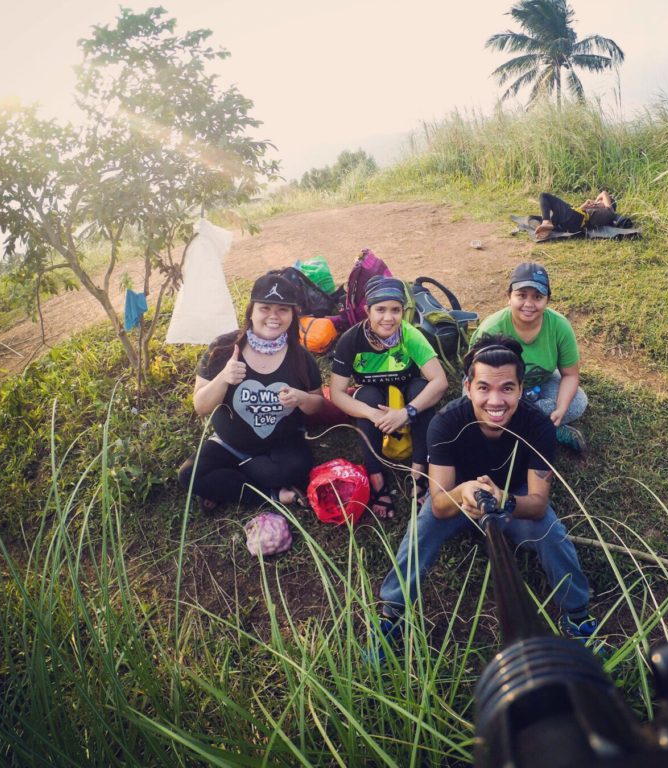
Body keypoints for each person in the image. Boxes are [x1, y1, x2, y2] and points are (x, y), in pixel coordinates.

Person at [375, 335, 598, 653]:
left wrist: (504, 499)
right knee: (420, 529)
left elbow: (536, 504)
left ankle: (577, 616)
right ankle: (392, 614)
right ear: (467, 387)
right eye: (484, 388)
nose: (496, 401)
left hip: (513, 497)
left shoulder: (539, 427)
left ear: (521, 389)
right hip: (459, 496)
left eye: (507, 388)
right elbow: (439, 503)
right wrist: (465, 491)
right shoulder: (445, 423)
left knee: (552, 534)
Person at [179, 272, 324, 512]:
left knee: (296, 469)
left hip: (280, 446)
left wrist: (302, 398)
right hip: (229, 444)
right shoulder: (223, 349)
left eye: (283, 310)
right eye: (265, 308)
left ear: (292, 315)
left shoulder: (300, 357)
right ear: (251, 311)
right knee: (190, 475)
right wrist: (223, 378)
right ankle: (273, 494)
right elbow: (200, 406)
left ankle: (234, 480)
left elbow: (317, 404)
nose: (273, 317)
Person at [329, 275, 449, 519]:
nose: (388, 318)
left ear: (403, 312)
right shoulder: (351, 340)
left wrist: (407, 412)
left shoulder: (410, 335)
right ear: (367, 310)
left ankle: (418, 473)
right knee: (366, 398)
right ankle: (377, 479)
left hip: (406, 394)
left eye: (395, 310)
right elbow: (336, 393)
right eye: (380, 309)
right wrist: (373, 414)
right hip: (375, 399)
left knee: (420, 390)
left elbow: (440, 381)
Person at [470, 261, 588, 452]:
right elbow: (476, 378)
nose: (529, 304)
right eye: (521, 295)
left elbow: (570, 375)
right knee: (474, 409)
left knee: (577, 402)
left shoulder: (560, 326)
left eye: (537, 297)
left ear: (547, 300)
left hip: (538, 383)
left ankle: (513, 428)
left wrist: (560, 409)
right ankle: (546, 429)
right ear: (508, 297)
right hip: (498, 389)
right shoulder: (491, 329)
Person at [533, 190, 624, 241]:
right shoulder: (601, 211)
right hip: (572, 222)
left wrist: (596, 201)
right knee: (546, 216)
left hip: (576, 219)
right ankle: (548, 228)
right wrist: (584, 206)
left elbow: (604, 193)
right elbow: (577, 211)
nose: (599, 201)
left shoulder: (609, 210)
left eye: (602, 201)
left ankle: (547, 222)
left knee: (544, 196)